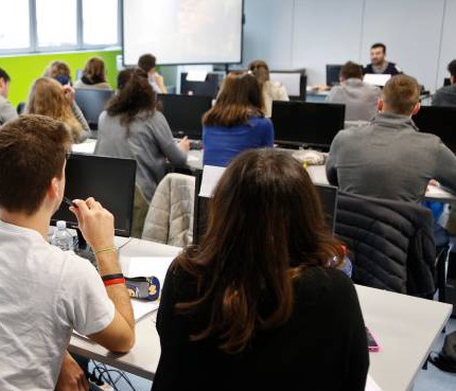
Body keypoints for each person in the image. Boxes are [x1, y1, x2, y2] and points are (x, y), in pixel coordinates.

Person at [0, 115, 135, 391]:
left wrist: (60, 355)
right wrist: (105, 247)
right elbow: (124, 339)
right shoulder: (69, 273)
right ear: (55, 187)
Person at [152, 149, 369, 390]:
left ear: (222, 210)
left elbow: (173, 354)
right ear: (307, 215)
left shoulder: (185, 274)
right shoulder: (333, 290)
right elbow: (353, 378)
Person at [327, 74, 456, 203]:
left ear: (380, 104)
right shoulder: (432, 148)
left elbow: (333, 180)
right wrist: (423, 179)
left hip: (347, 221)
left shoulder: (343, 138)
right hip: (401, 223)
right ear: (417, 108)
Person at [96, 68, 189, 203]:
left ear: (118, 92)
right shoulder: (153, 118)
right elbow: (178, 159)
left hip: (106, 194)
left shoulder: (104, 116)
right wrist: (183, 148)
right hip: (142, 199)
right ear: (149, 92)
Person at [202, 71, 274, 167]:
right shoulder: (263, 124)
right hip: (242, 181)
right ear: (255, 94)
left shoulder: (209, 121)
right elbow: (267, 165)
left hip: (210, 180)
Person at [25, 77, 90, 143]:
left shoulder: (23, 127)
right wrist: (71, 103)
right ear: (58, 101)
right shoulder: (62, 130)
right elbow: (86, 133)